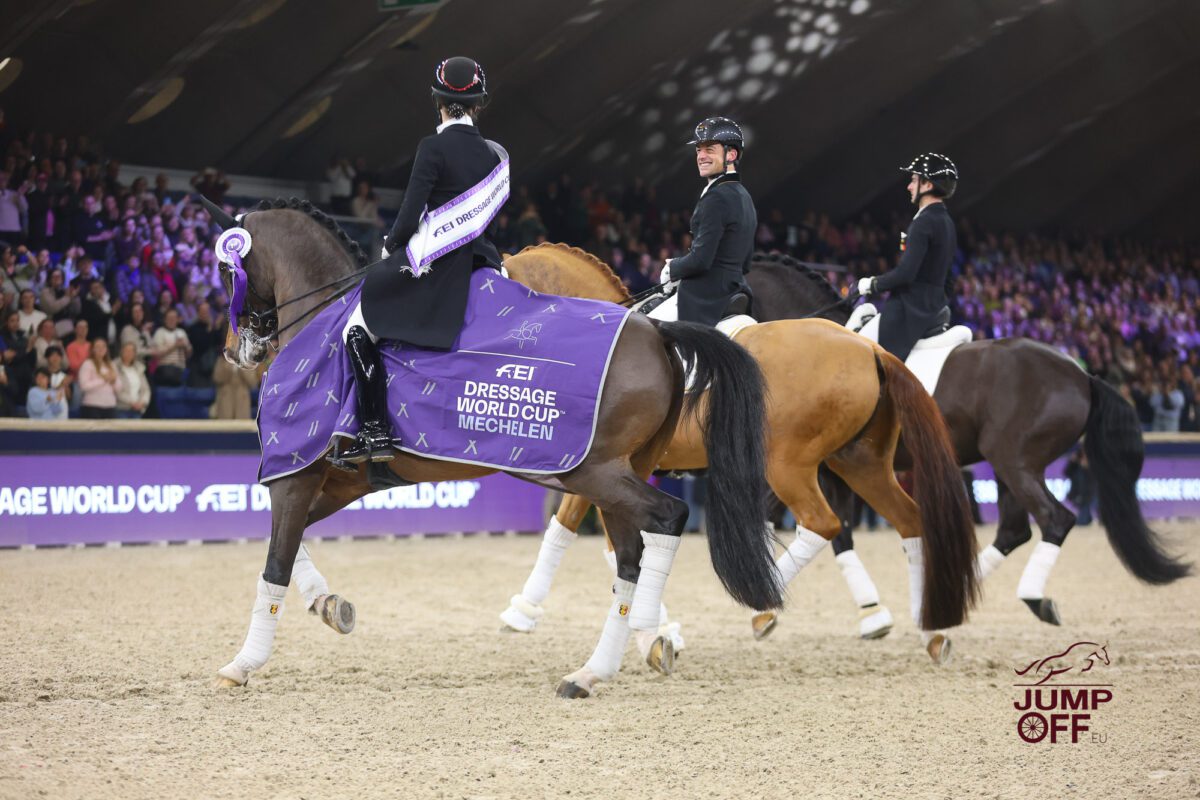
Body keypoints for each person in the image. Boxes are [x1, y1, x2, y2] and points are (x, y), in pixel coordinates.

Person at [343, 56, 508, 466]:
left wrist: (390, 245)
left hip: (440, 269)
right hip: (484, 262)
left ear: (438, 100)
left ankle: (376, 429)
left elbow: (409, 212)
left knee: (357, 329)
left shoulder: (432, 147)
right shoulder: (493, 155)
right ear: (478, 104)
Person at [649, 116, 757, 326]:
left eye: (709, 149)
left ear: (731, 154)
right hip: (736, 291)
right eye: (699, 150)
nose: (701, 156)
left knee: (645, 331)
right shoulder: (745, 196)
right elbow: (746, 262)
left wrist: (673, 268)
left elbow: (701, 260)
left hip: (706, 298)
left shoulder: (717, 197)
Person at [856, 153, 958, 362]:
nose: (909, 186)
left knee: (873, 361)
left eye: (913, 180)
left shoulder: (924, 222)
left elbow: (906, 273)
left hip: (910, 310)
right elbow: (949, 277)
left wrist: (872, 284)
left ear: (927, 184)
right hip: (934, 306)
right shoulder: (947, 221)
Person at [76, 337, 120, 418]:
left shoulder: (112, 364)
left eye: (103, 346)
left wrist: (114, 381)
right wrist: (103, 380)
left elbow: (119, 388)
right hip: (92, 406)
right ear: (92, 349)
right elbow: (84, 386)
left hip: (110, 406)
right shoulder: (88, 364)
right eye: (98, 346)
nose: (101, 349)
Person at [151, 307, 191, 386]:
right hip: (164, 368)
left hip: (180, 369)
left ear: (177, 319)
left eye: (174, 318)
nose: (172, 320)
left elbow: (189, 354)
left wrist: (185, 347)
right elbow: (156, 355)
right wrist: (174, 346)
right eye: (169, 318)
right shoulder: (159, 332)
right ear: (165, 320)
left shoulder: (181, 332)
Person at [114, 341, 150, 418]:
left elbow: (146, 389)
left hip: (138, 409)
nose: (129, 353)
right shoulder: (114, 367)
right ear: (121, 352)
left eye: (132, 351)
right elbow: (117, 390)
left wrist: (143, 402)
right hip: (122, 409)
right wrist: (132, 402)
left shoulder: (139, 368)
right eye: (126, 350)